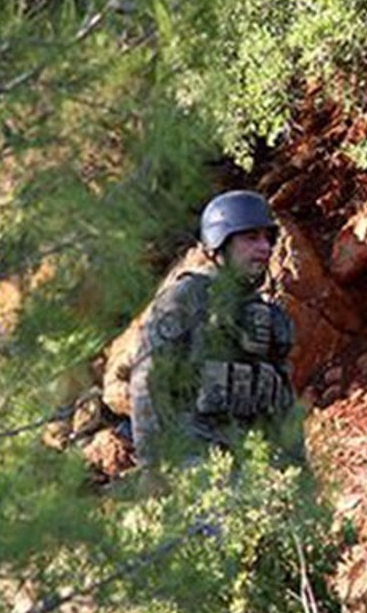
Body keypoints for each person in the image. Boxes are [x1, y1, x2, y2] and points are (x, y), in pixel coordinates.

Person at [128, 190, 301, 467]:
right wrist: (151, 465)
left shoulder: (265, 315)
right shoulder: (185, 297)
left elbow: (284, 402)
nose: (265, 248)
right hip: (195, 462)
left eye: (268, 238)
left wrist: (299, 472)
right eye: (251, 238)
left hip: (257, 464)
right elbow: (147, 381)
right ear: (220, 244)